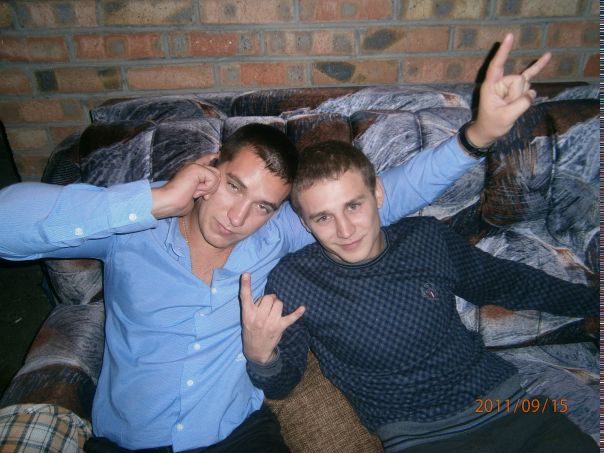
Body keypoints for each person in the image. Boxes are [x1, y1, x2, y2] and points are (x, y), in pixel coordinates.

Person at [0, 34, 549, 453]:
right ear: (209, 169)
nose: (239, 217)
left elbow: (388, 193)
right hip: (129, 441)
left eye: (263, 205)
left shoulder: (276, 236)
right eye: (233, 187)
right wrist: (157, 199)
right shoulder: (134, 227)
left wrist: (479, 135)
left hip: (240, 436)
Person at [241, 140, 598, 453]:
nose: (345, 230)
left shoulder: (426, 238)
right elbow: (283, 384)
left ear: (377, 194)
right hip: (422, 438)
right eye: (323, 217)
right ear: (305, 224)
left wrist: (592, 301)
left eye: (353, 206)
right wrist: (261, 356)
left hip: (513, 408)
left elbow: (508, 283)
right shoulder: (294, 280)